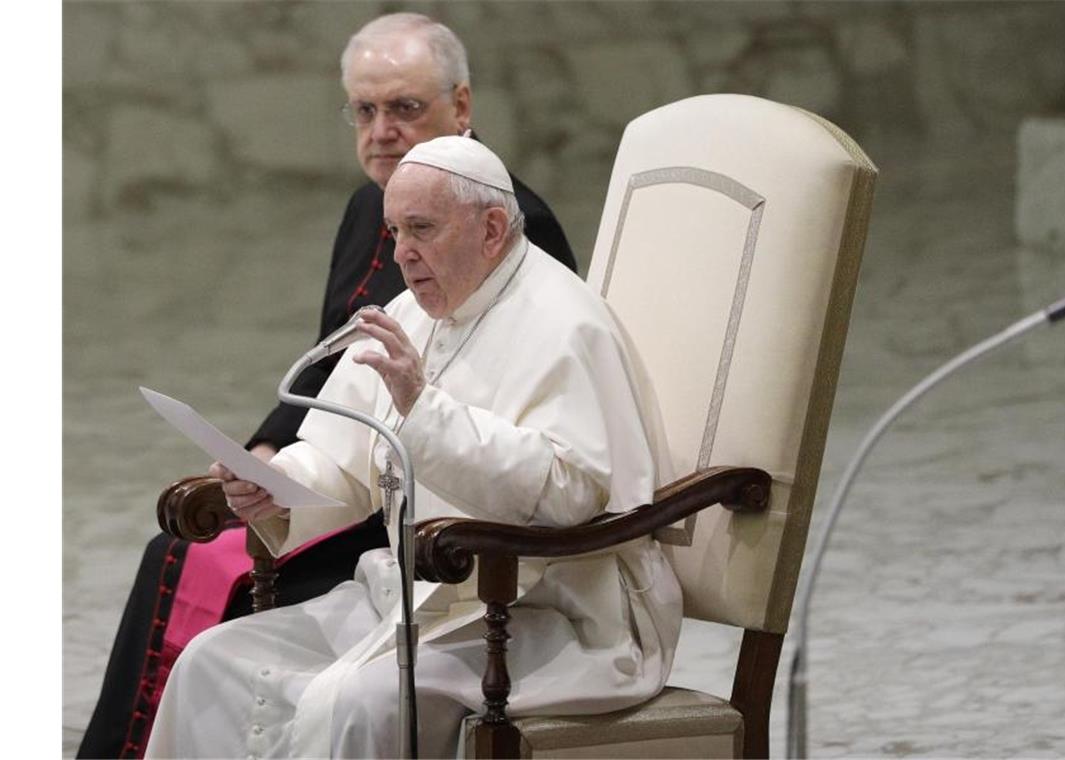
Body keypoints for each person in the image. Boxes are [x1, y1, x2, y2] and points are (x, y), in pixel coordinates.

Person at [77, 13, 575, 759]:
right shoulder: (368, 206)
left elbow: (508, 432)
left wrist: (313, 466)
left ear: (462, 107)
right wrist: (268, 455)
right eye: (365, 110)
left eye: (405, 108)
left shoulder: (506, 226)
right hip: (358, 466)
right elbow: (327, 368)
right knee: (187, 537)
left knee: (187, 556)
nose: (382, 130)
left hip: (432, 507)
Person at [144, 136, 681, 759]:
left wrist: (424, 410)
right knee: (212, 661)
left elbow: (570, 494)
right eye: (395, 231)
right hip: (414, 598)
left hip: (548, 612)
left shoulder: (567, 322)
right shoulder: (414, 312)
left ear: (492, 228)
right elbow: (341, 459)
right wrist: (273, 483)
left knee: (357, 700)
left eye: (422, 229)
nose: (402, 254)